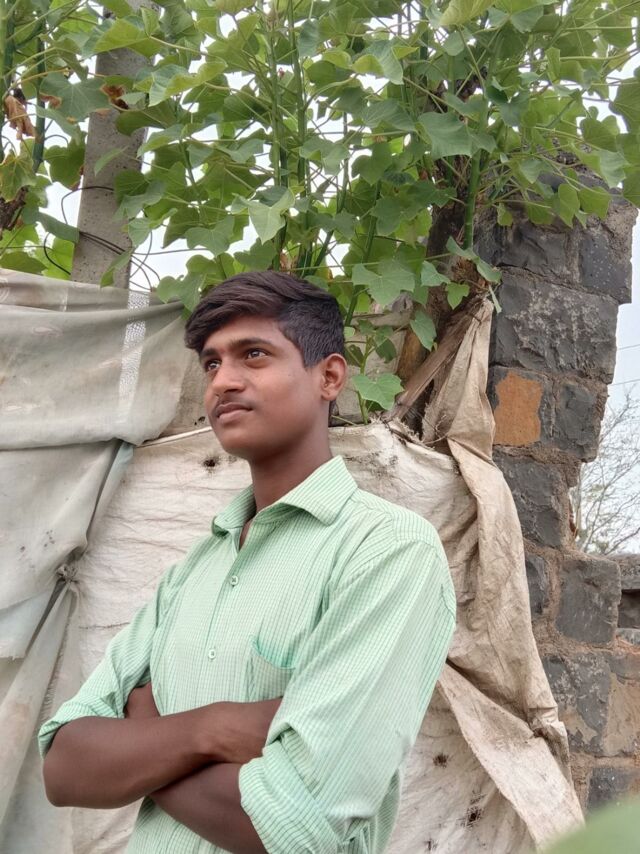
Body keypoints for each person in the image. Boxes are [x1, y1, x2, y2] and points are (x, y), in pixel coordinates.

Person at [39, 271, 456, 854]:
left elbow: (294, 824)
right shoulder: (196, 568)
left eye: (253, 354)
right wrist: (213, 728)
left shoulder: (386, 553)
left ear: (329, 376)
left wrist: (147, 738)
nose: (223, 381)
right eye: (211, 363)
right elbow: (65, 766)